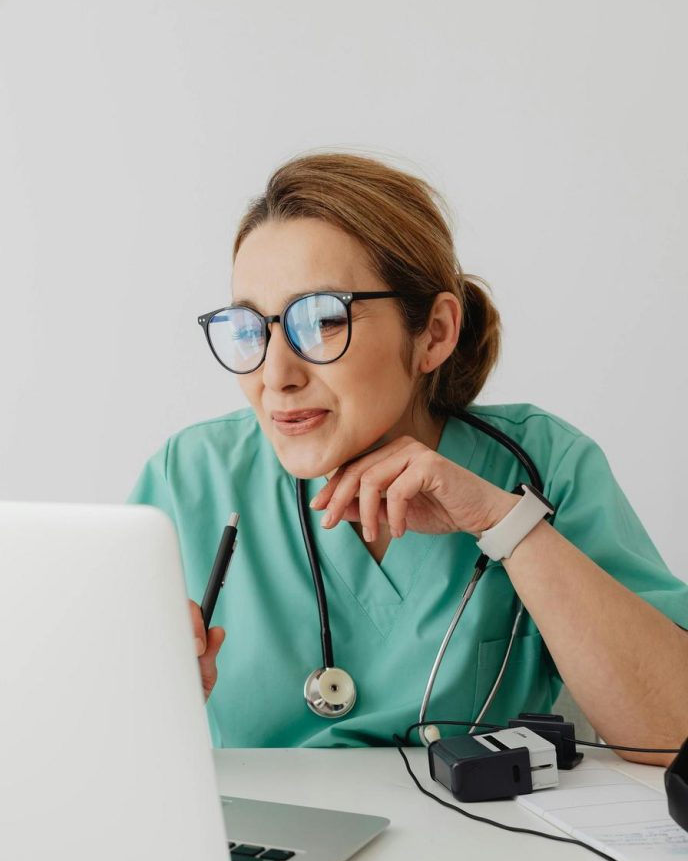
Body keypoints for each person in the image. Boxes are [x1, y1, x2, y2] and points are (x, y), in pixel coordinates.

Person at [128, 151, 688, 764]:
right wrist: (143, 705)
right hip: (269, 848)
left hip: (486, 846)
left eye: (319, 320)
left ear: (435, 333)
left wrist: (507, 527)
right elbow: (74, 742)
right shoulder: (190, 478)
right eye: (248, 328)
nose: (275, 374)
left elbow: (675, 733)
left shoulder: (542, 466)